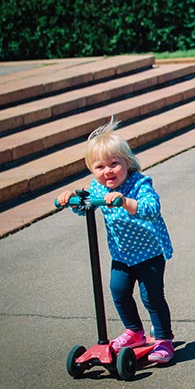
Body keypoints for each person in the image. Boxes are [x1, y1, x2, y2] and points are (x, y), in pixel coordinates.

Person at [56, 118, 175, 364]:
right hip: (121, 254)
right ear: (91, 170)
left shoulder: (139, 183)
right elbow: (84, 207)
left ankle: (164, 339)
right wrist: (70, 200)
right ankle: (134, 331)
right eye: (100, 167)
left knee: (151, 296)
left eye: (114, 164)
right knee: (118, 291)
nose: (108, 171)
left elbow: (152, 208)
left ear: (127, 162)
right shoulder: (97, 188)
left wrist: (127, 202)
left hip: (149, 251)